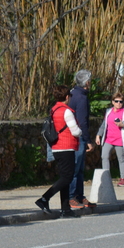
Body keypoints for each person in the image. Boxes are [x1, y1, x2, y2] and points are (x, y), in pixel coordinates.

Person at [35, 84, 83, 218]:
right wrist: (81, 132)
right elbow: (75, 131)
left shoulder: (54, 109)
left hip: (56, 147)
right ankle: (44, 199)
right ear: (67, 96)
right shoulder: (67, 111)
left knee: (64, 178)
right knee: (67, 177)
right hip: (67, 146)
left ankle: (65, 208)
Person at [67, 70, 94, 209]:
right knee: (77, 169)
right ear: (87, 82)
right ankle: (73, 196)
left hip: (73, 135)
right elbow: (82, 121)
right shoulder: (81, 98)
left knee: (78, 169)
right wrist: (88, 139)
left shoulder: (72, 94)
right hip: (77, 137)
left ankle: (79, 195)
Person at [97, 93, 124, 186]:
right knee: (104, 156)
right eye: (116, 101)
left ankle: (123, 179)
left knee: (121, 159)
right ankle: (106, 177)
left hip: (120, 139)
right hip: (108, 139)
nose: (118, 103)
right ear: (112, 102)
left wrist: (123, 125)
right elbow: (104, 125)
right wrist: (98, 135)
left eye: (121, 101)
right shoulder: (108, 111)